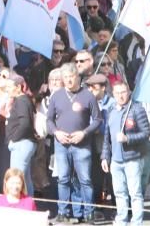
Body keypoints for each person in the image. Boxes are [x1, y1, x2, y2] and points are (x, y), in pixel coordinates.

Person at [47, 62, 102, 223]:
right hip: (61, 144)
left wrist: (84, 133)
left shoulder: (88, 95)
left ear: (77, 77)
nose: (69, 80)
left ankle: (89, 212)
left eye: (71, 77)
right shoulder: (56, 96)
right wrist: (56, 133)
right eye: (66, 77)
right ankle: (63, 212)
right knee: (63, 178)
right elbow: (49, 120)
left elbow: (98, 119)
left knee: (85, 179)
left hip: (82, 144)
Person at [102, 80, 150, 226]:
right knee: (119, 193)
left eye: (123, 92)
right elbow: (107, 137)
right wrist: (105, 156)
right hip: (115, 161)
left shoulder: (136, 109)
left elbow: (146, 133)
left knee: (135, 194)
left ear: (129, 92)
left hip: (132, 159)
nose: (121, 96)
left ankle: (137, 222)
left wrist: (127, 138)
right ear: (113, 94)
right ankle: (122, 220)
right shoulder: (111, 110)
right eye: (117, 93)